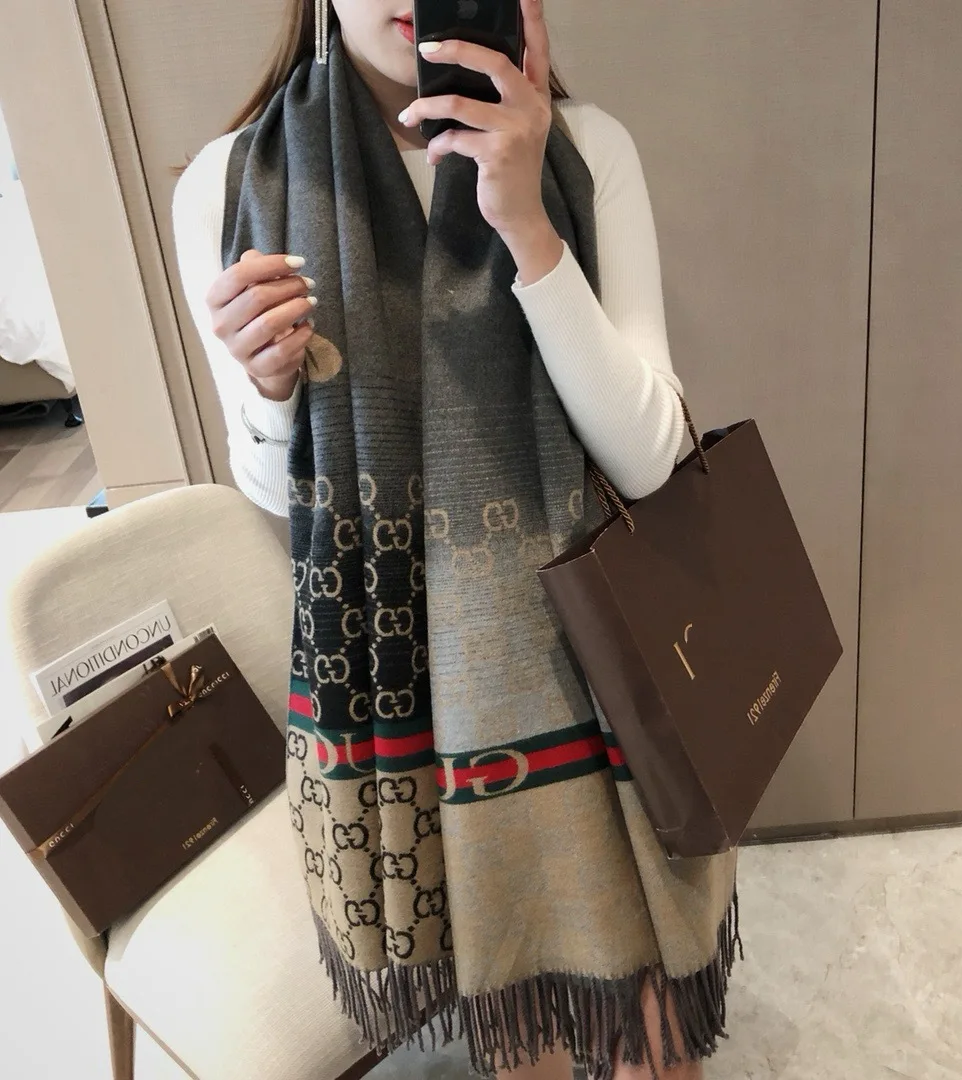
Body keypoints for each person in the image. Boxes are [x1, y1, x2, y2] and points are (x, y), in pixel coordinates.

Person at [173, 2, 739, 1078]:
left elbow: (649, 460)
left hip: (597, 658)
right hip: (397, 683)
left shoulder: (586, 150)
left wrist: (527, 224)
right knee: (513, 1016)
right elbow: (277, 493)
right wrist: (270, 392)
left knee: (653, 1038)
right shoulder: (230, 181)